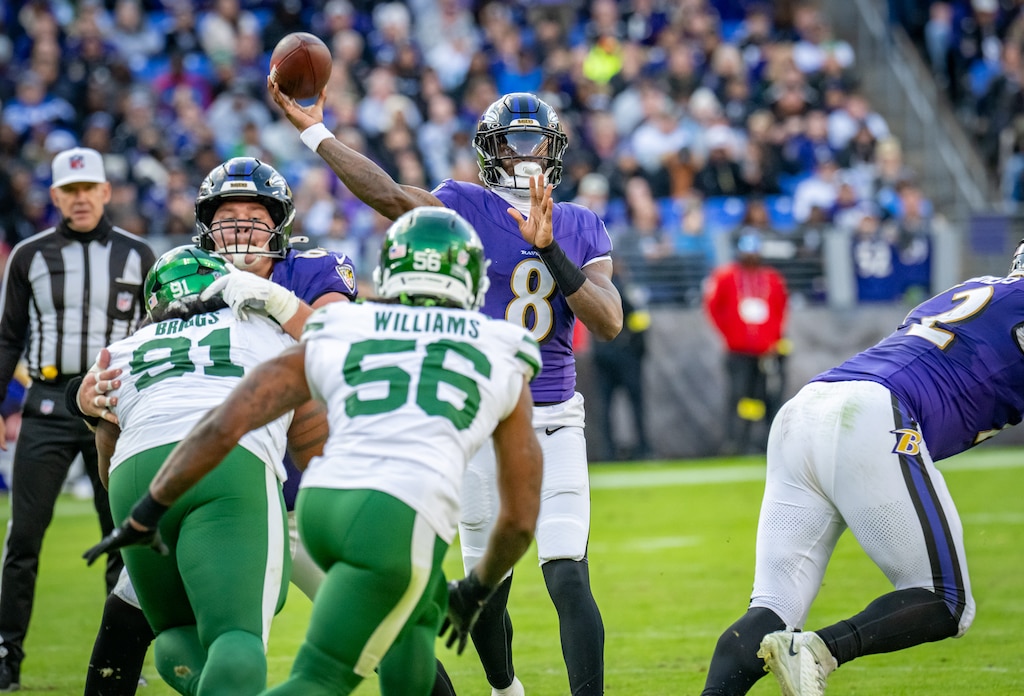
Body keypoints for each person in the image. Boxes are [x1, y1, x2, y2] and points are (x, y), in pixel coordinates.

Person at [85, 207, 544, 696]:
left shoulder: (346, 323)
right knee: (321, 675)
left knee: (413, 622)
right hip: (388, 506)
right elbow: (519, 519)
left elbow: (220, 423)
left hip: (319, 499)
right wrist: (477, 587)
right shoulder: (501, 344)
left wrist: (147, 508)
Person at [271, 83, 622, 695]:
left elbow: (609, 320)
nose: (528, 156)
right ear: (491, 152)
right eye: (514, 144)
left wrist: (549, 250)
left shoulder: (581, 224)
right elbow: (389, 195)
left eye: (538, 143)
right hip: (479, 412)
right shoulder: (464, 204)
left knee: (568, 573)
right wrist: (316, 132)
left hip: (555, 416)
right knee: (486, 585)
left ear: (557, 151)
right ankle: (505, 689)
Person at [69, 156, 359, 695]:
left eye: (255, 217)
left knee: (371, 626)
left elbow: (341, 344)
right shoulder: (194, 289)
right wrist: (85, 399)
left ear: (280, 225)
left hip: (299, 493)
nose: (241, 229)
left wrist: (278, 301)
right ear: (206, 230)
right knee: (128, 622)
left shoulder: (311, 272)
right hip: (230, 476)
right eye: (227, 219)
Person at [696, 240, 1024, 696]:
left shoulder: (974, 291)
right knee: (946, 599)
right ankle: (821, 650)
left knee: (772, 608)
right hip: (872, 415)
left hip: (807, 409)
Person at [0, 146, 156, 691]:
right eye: (70, 190)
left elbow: (160, 331)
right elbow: (7, 337)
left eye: (89, 187)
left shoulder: (140, 255)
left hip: (114, 407)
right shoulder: (29, 256)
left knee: (121, 536)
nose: (81, 198)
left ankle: (123, 662)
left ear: (106, 191)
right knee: (23, 538)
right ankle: (6, 658)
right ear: (55, 196)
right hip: (46, 404)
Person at [703, 232, 789, 455]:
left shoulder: (772, 278)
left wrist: (773, 340)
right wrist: (729, 333)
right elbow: (713, 307)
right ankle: (735, 440)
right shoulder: (726, 277)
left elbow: (780, 310)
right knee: (738, 395)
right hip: (738, 350)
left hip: (764, 351)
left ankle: (758, 440)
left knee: (761, 396)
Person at [591, 267, 651, 461]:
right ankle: (643, 448)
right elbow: (639, 321)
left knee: (606, 407)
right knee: (636, 404)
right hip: (626, 356)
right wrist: (638, 350)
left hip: (604, 354)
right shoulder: (627, 289)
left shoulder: (594, 288)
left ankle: (609, 451)